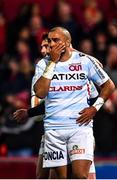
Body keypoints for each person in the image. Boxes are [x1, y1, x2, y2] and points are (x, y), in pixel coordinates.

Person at [14, 31, 98, 179]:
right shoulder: (42, 69)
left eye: (47, 46)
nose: (43, 50)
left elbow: (95, 94)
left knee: (83, 176)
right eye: (43, 46)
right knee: (46, 176)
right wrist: (30, 112)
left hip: (79, 131)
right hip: (54, 131)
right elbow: (39, 104)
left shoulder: (81, 67)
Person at [34, 27, 115, 179]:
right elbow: (40, 92)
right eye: (49, 40)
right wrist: (52, 62)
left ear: (67, 42)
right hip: (54, 130)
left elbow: (108, 86)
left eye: (56, 40)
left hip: (80, 127)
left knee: (80, 176)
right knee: (60, 178)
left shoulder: (84, 61)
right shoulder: (43, 64)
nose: (51, 44)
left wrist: (94, 108)